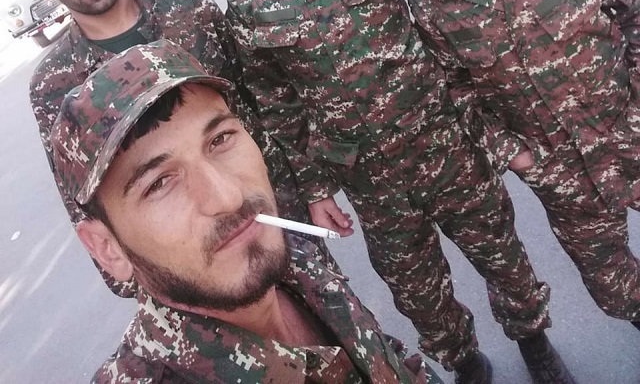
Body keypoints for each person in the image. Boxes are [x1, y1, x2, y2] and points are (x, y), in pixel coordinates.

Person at [218, 0, 573, 384]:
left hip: (446, 145)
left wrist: (493, 93)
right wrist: (315, 188)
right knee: (418, 295)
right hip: (369, 181)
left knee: (502, 257)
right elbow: (274, 97)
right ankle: (466, 363)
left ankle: (534, 342)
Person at [50, 39, 440, 383]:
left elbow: (382, 355)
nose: (229, 199)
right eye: (158, 183)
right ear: (107, 249)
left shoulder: (288, 256)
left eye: (220, 139)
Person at [388, 0, 640, 336]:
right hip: (563, 177)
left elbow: (635, 4)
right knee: (618, 292)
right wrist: (515, 155)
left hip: (631, 128)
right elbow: (456, 89)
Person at [11, 0, 312, 298]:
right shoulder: (55, 84)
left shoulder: (189, 10)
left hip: (279, 218)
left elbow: (263, 102)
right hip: (195, 269)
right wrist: (142, 288)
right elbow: (82, 202)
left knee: (334, 321)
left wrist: (312, 187)